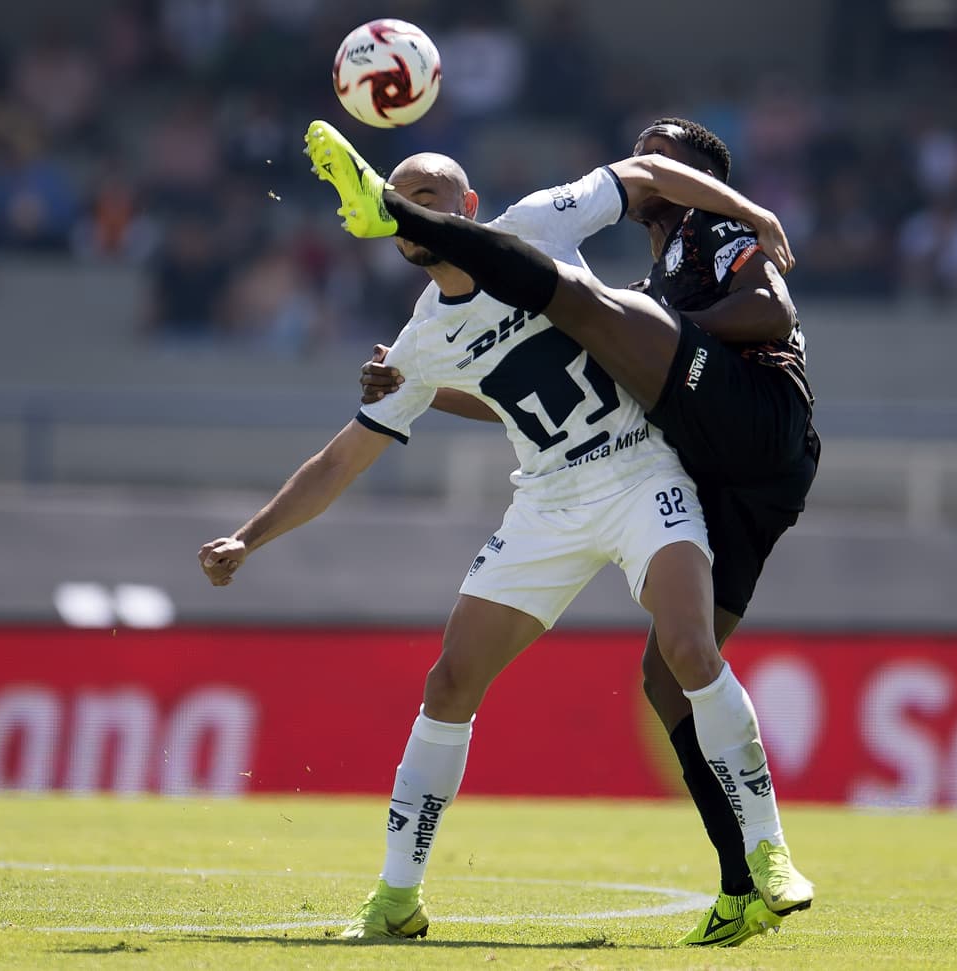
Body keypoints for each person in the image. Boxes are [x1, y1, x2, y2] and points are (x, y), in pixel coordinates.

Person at [201, 145, 803, 945]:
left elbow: (648, 174)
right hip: (548, 502)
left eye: (429, 194)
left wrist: (751, 211)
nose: (414, 210)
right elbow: (341, 460)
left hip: (639, 472)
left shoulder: (538, 224)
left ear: (470, 206)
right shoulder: (420, 342)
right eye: (402, 198)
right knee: (449, 682)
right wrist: (248, 538)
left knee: (690, 649)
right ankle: (396, 897)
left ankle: (770, 854)